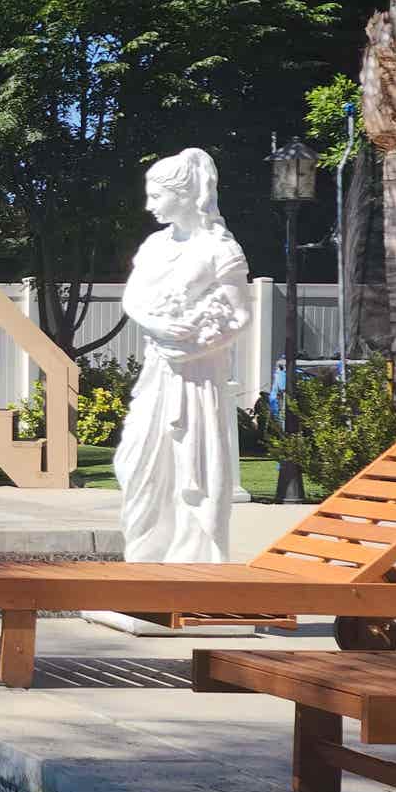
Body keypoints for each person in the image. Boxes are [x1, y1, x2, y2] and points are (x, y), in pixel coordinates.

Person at [113, 148, 253, 565]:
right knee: (136, 460)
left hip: (196, 377)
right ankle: (145, 557)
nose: (149, 205)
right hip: (158, 370)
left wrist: (196, 345)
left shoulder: (220, 249)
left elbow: (241, 315)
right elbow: (132, 299)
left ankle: (191, 563)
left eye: (157, 196)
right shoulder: (155, 244)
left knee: (192, 462)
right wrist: (159, 329)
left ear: (184, 194)